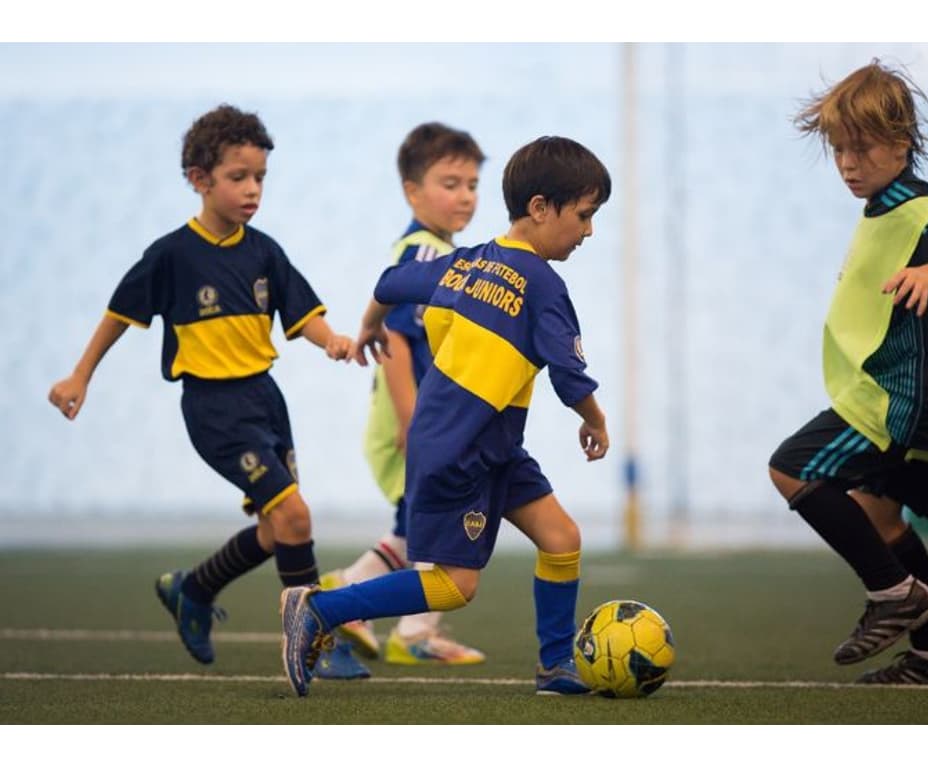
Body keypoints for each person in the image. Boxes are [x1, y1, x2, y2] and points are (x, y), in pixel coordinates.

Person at [280, 135, 612, 697]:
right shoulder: (544, 286)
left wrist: (368, 326)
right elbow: (571, 377)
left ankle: (555, 666)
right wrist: (595, 421)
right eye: (584, 215)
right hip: (459, 450)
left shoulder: (466, 262)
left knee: (561, 538)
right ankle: (321, 609)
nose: (588, 231)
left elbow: (390, 284)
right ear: (539, 208)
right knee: (455, 585)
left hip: (492, 445)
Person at [47, 104, 359, 674]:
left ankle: (193, 589)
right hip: (215, 408)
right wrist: (80, 375)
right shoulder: (172, 255)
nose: (252, 189)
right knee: (295, 518)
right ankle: (316, 643)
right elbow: (120, 314)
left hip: (265, 401)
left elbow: (301, 313)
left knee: (276, 528)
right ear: (199, 179)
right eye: (238, 177)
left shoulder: (264, 250)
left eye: (260, 177)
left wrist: (331, 339)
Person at [769, 61, 928, 685]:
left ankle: (893, 593)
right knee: (878, 515)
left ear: (900, 146)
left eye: (861, 148)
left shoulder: (914, 212)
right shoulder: (885, 209)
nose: (847, 163)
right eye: (839, 149)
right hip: (918, 395)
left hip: (910, 398)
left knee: (790, 467)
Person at [318, 122, 488, 669]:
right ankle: (397, 623)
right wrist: (413, 423)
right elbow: (395, 338)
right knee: (437, 529)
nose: (465, 195)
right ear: (412, 192)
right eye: (450, 182)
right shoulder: (422, 256)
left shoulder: (437, 251)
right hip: (412, 422)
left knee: (414, 527)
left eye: (471, 184)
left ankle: (356, 598)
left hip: (421, 421)